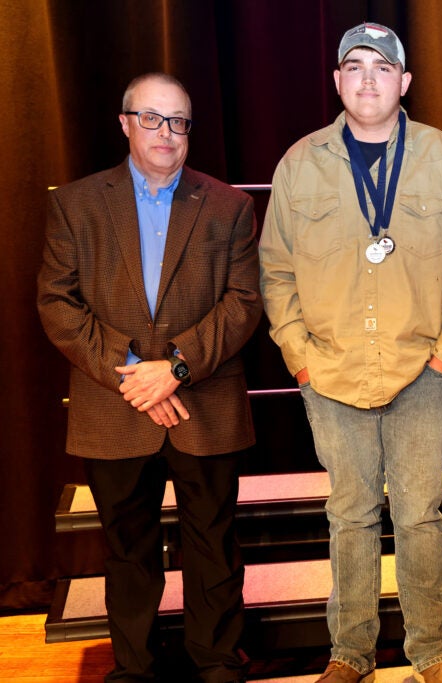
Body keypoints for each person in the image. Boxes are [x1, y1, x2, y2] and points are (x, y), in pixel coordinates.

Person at [258, 22, 442, 683]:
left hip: (422, 374)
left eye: (383, 67)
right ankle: (350, 654)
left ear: (405, 81)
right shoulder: (300, 164)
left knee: (420, 516)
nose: (368, 79)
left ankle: (433, 653)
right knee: (350, 517)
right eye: (356, 66)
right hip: (332, 374)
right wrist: (300, 359)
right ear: (337, 80)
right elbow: (275, 271)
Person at [37, 72, 261, 682]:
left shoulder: (230, 206)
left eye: (179, 121)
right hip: (114, 404)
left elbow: (245, 301)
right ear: (125, 123)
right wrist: (136, 375)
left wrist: (177, 369)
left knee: (213, 542)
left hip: (204, 401)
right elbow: (57, 303)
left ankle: (216, 661)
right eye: (152, 118)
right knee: (127, 550)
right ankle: (135, 668)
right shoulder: (75, 204)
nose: (167, 132)